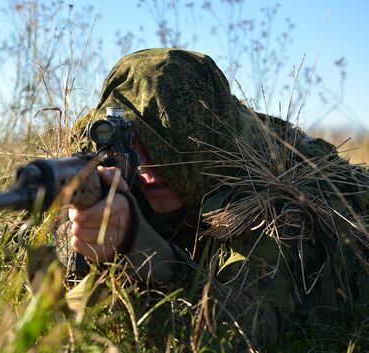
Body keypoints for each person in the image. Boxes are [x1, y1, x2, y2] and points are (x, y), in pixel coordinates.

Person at [57, 48, 369, 346]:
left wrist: (137, 242)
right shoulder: (113, 161)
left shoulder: (273, 193)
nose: (147, 164)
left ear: (199, 139)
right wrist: (74, 232)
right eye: (132, 141)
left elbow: (241, 328)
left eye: (165, 143)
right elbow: (24, 237)